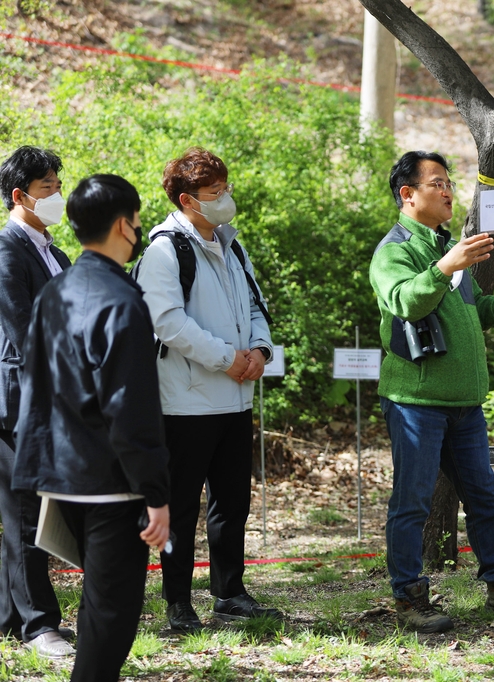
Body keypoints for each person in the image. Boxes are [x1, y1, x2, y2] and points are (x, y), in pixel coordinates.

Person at [370, 150, 494, 633]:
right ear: (408, 194)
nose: (448, 191)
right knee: (413, 502)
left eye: (449, 183)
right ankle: (409, 597)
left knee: (485, 499)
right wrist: (446, 266)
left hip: (465, 403)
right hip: (416, 404)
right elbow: (405, 302)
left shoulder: (448, 245)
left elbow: (469, 310)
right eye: (437, 183)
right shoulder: (394, 252)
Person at [13, 174, 171, 682]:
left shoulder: (55, 289)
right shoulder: (122, 302)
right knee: (111, 613)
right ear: (124, 225)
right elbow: (131, 409)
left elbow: (34, 384)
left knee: (99, 608)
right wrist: (155, 492)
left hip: (58, 471)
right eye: (139, 220)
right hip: (110, 482)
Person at [133, 147, 279, 633]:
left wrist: (259, 349)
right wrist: (228, 358)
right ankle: (178, 602)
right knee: (179, 506)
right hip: (186, 402)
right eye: (214, 193)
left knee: (232, 501)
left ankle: (230, 592)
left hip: (235, 399)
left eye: (225, 189)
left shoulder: (233, 245)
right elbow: (168, 323)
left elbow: (256, 307)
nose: (225, 199)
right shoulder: (163, 250)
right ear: (187, 200)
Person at [0, 146, 74, 657]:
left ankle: (9, 617)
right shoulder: (7, 250)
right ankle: (38, 624)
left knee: (29, 510)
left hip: (50, 395)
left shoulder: (55, 252)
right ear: (19, 195)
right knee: (26, 512)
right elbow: (23, 331)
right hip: (18, 400)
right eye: (48, 188)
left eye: (57, 186)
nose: (57, 196)